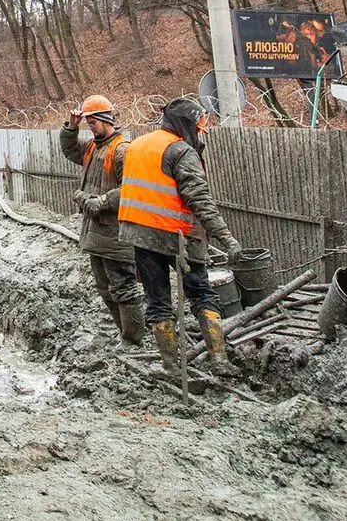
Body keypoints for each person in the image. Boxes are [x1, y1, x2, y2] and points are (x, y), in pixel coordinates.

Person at [117, 96, 245, 388]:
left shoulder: (136, 145)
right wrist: (227, 238)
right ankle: (220, 361)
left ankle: (171, 366)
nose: (203, 132)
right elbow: (199, 199)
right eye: (199, 126)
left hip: (141, 234)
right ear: (186, 124)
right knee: (201, 293)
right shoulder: (180, 151)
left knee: (157, 301)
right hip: (178, 234)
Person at [62, 95, 143, 346]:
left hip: (117, 234)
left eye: (93, 121)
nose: (91, 126)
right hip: (97, 232)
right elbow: (70, 149)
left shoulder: (121, 150)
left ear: (107, 119)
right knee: (105, 287)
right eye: (88, 122)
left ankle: (133, 339)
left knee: (123, 287)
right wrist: (71, 128)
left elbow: (131, 188)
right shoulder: (93, 147)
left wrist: (100, 202)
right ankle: (125, 333)